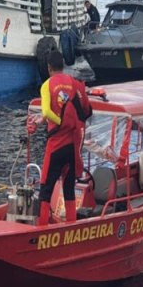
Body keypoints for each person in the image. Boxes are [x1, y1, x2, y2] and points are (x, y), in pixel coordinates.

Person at [35, 50, 92, 225]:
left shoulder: (47, 85)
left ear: (48, 67)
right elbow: (85, 110)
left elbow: (46, 111)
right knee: (69, 188)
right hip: (72, 146)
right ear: (63, 66)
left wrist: (56, 120)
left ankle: (42, 230)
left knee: (45, 188)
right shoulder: (74, 83)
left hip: (56, 144)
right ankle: (71, 227)